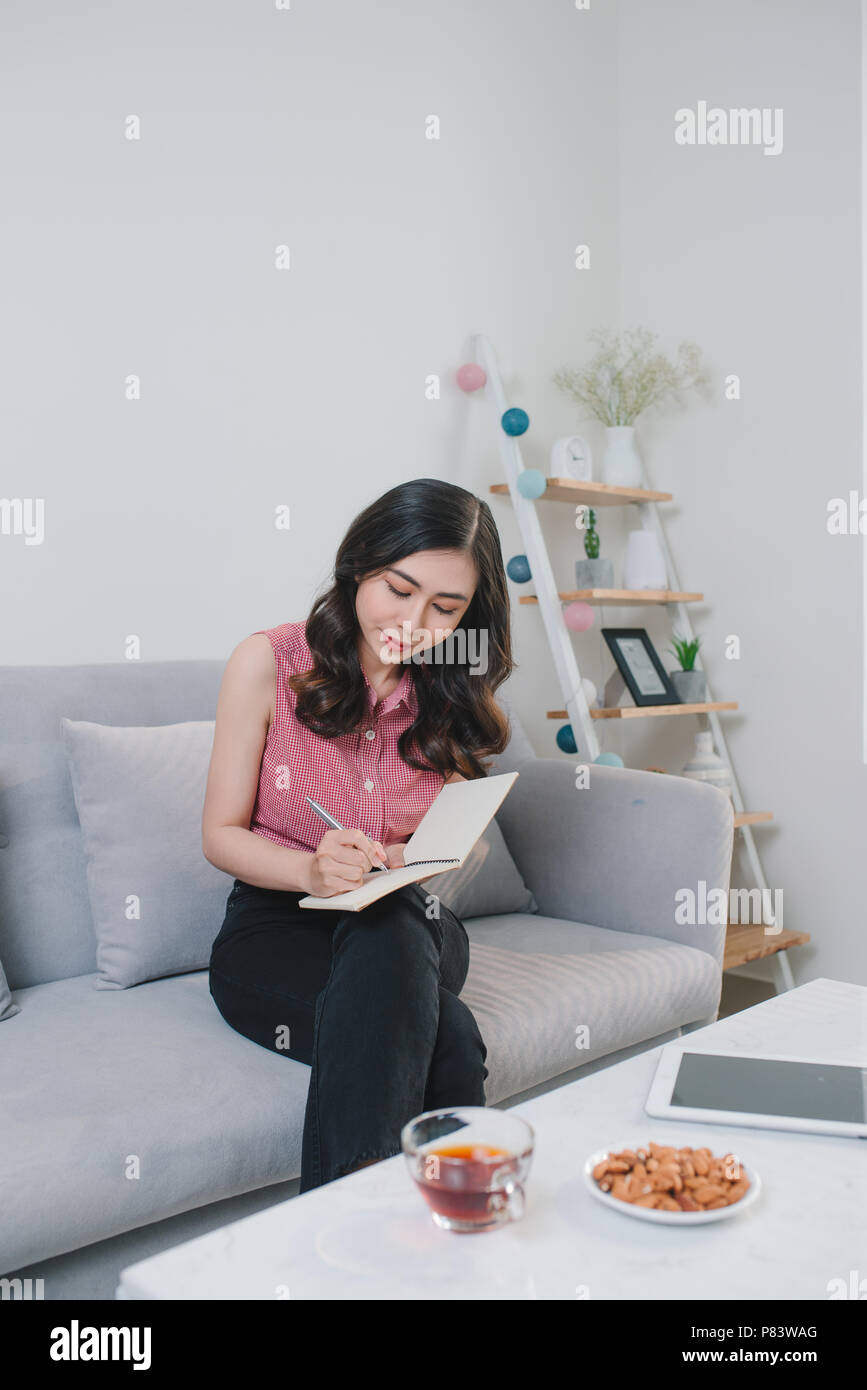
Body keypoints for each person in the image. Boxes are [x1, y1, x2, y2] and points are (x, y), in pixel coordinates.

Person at [202, 477, 514, 1193]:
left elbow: (466, 834)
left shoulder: (450, 688)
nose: (414, 621)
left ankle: (341, 1244)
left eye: (445, 606)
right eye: (397, 589)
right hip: (276, 924)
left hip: (411, 917)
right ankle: (454, 1225)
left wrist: (422, 854)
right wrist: (311, 871)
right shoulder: (268, 663)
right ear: (358, 568)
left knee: (396, 917)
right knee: (451, 1039)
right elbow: (219, 835)